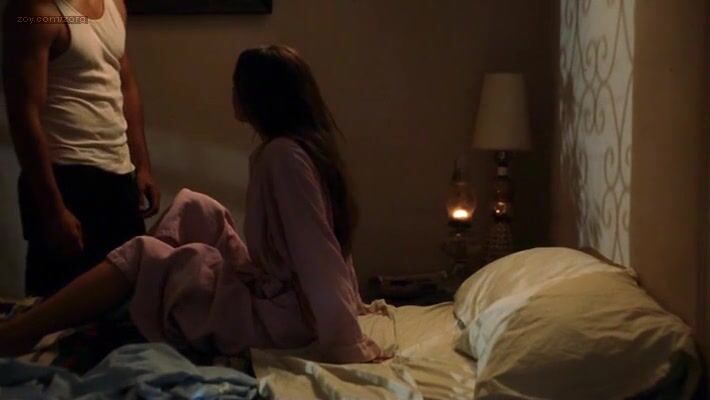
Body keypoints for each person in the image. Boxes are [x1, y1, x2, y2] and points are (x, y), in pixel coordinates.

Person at [0, 45, 384, 364]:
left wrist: (345, 339)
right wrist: (350, 299)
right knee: (195, 206)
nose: (232, 94)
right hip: (279, 294)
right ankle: (129, 290)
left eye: (236, 87)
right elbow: (328, 240)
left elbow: (317, 248)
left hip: (284, 318)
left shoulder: (285, 156)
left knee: (145, 251)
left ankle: (25, 330)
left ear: (257, 97)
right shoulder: (290, 149)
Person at [2, 0, 160, 297]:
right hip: (65, 179)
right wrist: (52, 208)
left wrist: (142, 165)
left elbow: (126, 85)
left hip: (118, 177)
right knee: (56, 306)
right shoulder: (33, 11)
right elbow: (24, 114)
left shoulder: (114, 4)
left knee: (126, 301)